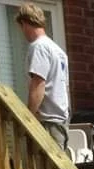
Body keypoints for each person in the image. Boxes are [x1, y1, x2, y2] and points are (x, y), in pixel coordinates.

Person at [15, 3, 70, 150]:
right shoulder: (58, 51)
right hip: (60, 122)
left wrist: (28, 119)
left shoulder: (38, 47)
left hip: (47, 124)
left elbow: (38, 85)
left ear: (25, 23)